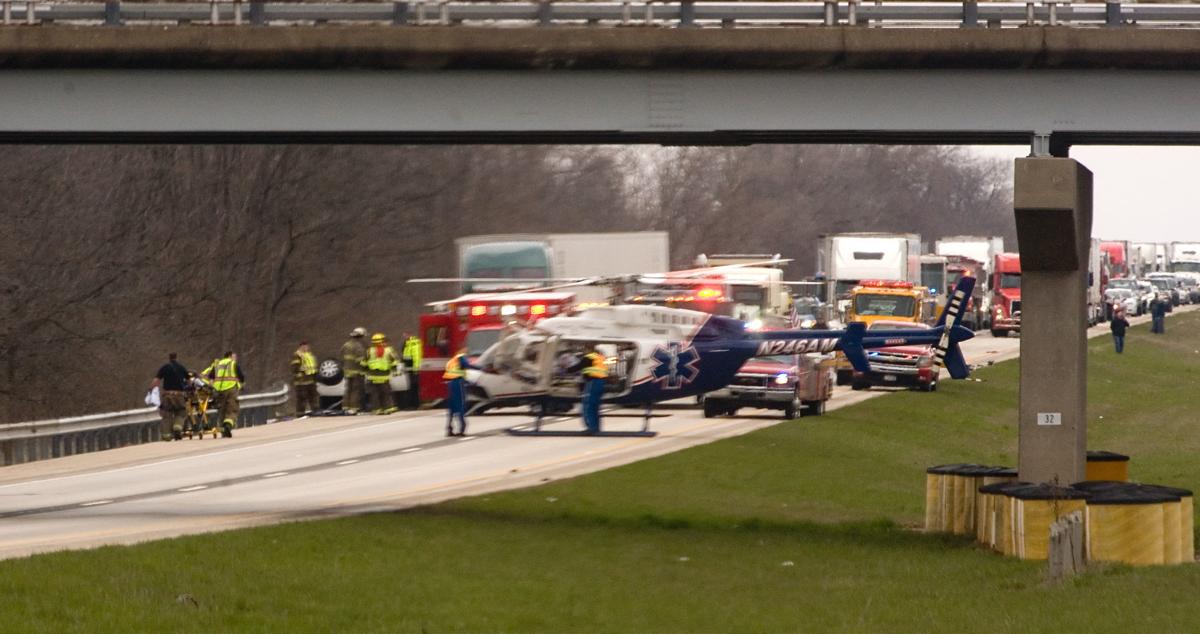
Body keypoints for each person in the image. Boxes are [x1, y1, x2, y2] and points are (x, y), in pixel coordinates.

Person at [204, 351, 245, 438]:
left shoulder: (217, 364)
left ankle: (223, 430)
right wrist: (241, 384)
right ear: (230, 356)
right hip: (231, 389)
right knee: (232, 409)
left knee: (222, 410)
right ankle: (228, 426)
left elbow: (210, 377)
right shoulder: (233, 363)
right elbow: (241, 376)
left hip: (219, 391)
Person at [150, 352, 189, 441]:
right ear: (177, 357)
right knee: (181, 412)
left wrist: (150, 389)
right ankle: (177, 427)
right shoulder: (181, 367)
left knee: (166, 414)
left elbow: (156, 380)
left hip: (167, 395)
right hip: (179, 395)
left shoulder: (165, 367)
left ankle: (167, 435)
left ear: (169, 358)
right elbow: (188, 380)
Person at [443, 347, 476, 436]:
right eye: (465, 350)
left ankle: (449, 428)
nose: (466, 352)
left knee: (452, 407)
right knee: (460, 405)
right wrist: (481, 368)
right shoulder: (461, 357)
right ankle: (462, 428)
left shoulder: (452, 361)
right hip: (458, 384)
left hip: (450, 384)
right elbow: (468, 365)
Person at [365, 332, 400, 415]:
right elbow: (395, 361)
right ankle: (388, 408)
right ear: (382, 341)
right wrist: (394, 370)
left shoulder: (369, 351)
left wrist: (365, 372)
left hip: (373, 375)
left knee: (375, 394)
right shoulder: (389, 350)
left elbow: (364, 362)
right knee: (385, 392)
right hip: (384, 375)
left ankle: (377, 409)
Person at [578, 346, 609, 434]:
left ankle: (591, 428)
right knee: (595, 406)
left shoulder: (589, 357)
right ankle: (596, 428)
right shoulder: (601, 358)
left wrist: (567, 370)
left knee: (589, 406)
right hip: (601, 382)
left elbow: (578, 366)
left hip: (593, 382)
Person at [341, 327, 368, 414]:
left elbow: (342, 358)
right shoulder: (358, 346)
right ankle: (353, 408)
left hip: (347, 371)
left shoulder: (346, 345)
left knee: (347, 389)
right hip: (357, 372)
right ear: (360, 336)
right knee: (355, 390)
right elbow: (360, 360)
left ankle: (345, 407)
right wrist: (367, 367)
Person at [291, 341, 318, 417]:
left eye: (307, 346)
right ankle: (300, 414)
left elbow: (313, 367)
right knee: (302, 398)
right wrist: (300, 374)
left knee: (313, 397)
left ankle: (315, 411)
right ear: (301, 346)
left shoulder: (309, 355)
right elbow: (295, 368)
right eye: (304, 346)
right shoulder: (297, 355)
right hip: (301, 381)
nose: (306, 348)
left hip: (310, 380)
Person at [401, 332, 423, 410]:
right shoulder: (408, 344)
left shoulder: (413, 344)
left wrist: (416, 369)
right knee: (412, 387)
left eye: (405, 335)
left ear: (409, 335)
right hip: (410, 370)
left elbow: (416, 357)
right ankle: (413, 404)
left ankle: (414, 405)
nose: (404, 337)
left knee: (414, 387)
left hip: (413, 370)